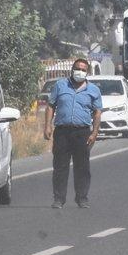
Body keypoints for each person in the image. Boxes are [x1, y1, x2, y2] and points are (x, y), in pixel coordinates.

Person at [43, 59, 102, 209]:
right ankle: (58, 199)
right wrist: (47, 126)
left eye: (83, 70)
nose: (79, 72)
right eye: (77, 68)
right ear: (72, 69)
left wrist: (94, 132)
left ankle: (82, 198)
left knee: (82, 167)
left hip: (82, 132)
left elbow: (97, 112)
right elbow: (50, 106)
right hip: (62, 132)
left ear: (87, 72)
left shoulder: (93, 90)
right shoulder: (60, 85)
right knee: (60, 166)